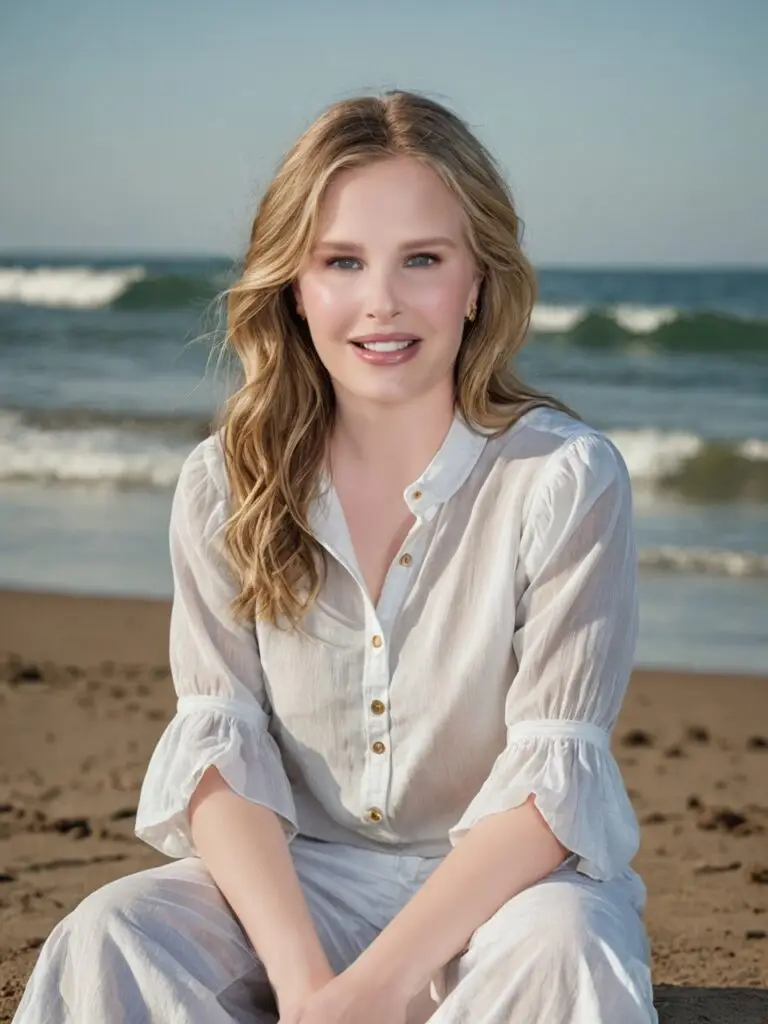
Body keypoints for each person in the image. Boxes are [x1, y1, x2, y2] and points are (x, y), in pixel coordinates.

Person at [13, 89, 658, 1024]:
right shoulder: (224, 484)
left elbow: (552, 784)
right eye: (343, 261)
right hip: (298, 890)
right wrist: (313, 989)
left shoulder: (564, 478)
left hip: (508, 900)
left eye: (423, 260)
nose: (382, 302)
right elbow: (220, 755)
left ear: (477, 280)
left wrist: (377, 990)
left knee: (567, 952)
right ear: (294, 283)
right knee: (110, 931)